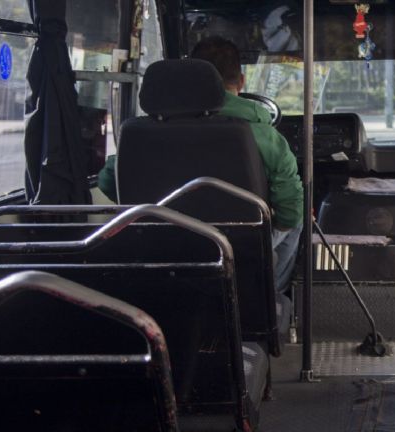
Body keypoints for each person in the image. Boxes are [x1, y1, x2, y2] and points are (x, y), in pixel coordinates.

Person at [98, 36, 304, 292]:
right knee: (299, 222)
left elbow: (108, 181)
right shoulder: (262, 135)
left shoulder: (141, 134)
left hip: (159, 243)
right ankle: (268, 297)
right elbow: (290, 209)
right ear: (240, 81)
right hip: (237, 246)